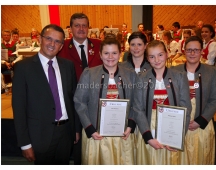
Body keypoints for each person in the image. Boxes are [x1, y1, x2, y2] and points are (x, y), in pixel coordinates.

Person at [12, 24, 78, 165]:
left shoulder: (68, 66)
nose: (52, 44)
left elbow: (74, 100)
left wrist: (76, 129)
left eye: (57, 41)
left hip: (66, 133)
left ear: (61, 46)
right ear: (40, 39)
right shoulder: (23, 68)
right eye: (49, 38)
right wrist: (25, 144)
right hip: (40, 136)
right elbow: (19, 108)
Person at [74, 38, 137, 164]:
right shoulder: (89, 74)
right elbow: (79, 102)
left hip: (123, 133)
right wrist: (89, 128)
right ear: (100, 55)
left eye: (114, 53)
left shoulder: (130, 74)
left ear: (120, 54)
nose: (110, 57)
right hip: (96, 134)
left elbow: (136, 102)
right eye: (106, 53)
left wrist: (130, 126)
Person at [132, 40, 191, 164]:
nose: (157, 60)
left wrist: (178, 137)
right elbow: (138, 108)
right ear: (147, 58)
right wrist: (148, 137)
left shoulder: (179, 76)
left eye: (160, 55)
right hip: (149, 125)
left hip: (172, 127)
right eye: (152, 56)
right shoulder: (141, 78)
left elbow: (186, 108)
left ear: (167, 54)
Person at [57, 12, 103, 165]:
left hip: (97, 102)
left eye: (84, 25)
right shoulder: (62, 48)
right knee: (78, 144)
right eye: (77, 25)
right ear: (70, 28)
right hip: (72, 102)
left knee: (98, 142)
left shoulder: (98, 45)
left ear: (88, 27)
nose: (81, 28)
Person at [173, 36, 216, 164]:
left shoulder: (212, 72)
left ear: (202, 51)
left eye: (196, 50)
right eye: (189, 50)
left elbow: (215, 99)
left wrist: (200, 121)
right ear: (184, 51)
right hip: (180, 124)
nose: (193, 53)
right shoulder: (174, 71)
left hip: (201, 123)